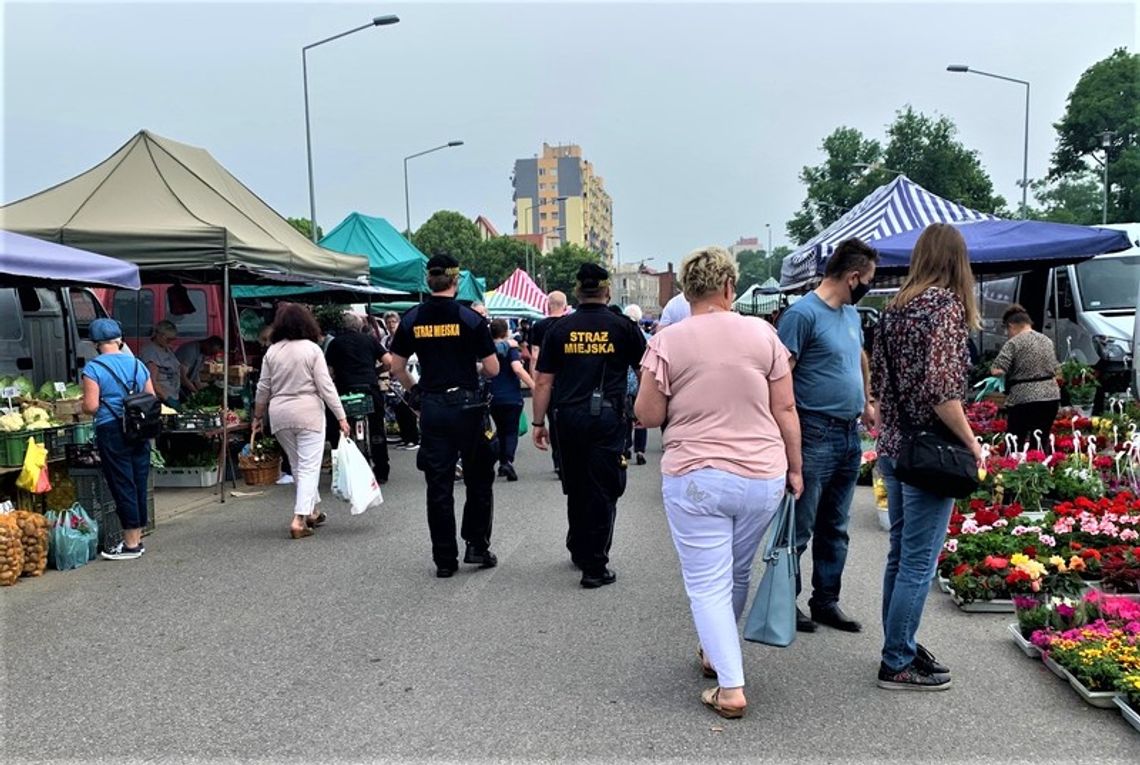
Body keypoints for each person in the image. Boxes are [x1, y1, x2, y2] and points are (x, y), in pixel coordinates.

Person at [634, 246, 802, 719]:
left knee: (706, 581)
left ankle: (730, 686)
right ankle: (715, 651)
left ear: (687, 293)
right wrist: (796, 468)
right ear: (730, 288)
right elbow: (785, 408)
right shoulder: (765, 335)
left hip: (697, 476)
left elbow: (646, 415)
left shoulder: (667, 341)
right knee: (737, 570)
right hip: (761, 475)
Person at [870, 222, 981, 691]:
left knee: (901, 555)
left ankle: (901, 645)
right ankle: (897, 659)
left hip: (894, 447)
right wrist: (973, 443)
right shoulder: (945, 307)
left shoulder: (893, 309)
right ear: (957, 261)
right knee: (918, 560)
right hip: (930, 452)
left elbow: (877, 378)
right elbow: (941, 392)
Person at [776, 237, 879, 634]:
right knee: (800, 527)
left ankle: (826, 601)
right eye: (868, 278)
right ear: (853, 276)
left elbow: (859, 356)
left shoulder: (850, 315)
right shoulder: (802, 315)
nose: (867, 285)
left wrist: (867, 401)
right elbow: (781, 373)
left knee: (835, 526)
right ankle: (786, 602)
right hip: (813, 431)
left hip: (847, 434)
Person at [532, 263, 646, 588]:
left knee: (577, 483)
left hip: (567, 418)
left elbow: (542, 383)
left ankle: (578, 547)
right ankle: (595, 565)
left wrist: (539, 422)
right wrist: (641, 410)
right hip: (607, 418)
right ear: (607, 291)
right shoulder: (623, 327)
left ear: (577, 293)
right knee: (604, 486)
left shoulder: (560, 329)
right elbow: (644, 373)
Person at [389, 254, 501, 578]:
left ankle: (444, 560)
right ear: (455, 281)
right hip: (468, 407)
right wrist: (471, 366)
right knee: (479, 478)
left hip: (434, 408)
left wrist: (415, 391)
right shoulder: (469, 318)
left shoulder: (412, 319)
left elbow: (396, 367)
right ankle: (476, 545)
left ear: (429, 281)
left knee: (438, 485)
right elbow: (492, 368)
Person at [253, 304, 350, 539]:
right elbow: (325, 386)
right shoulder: (312, 349)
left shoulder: (272, 351)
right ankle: (299, 518)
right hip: (308, 412)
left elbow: (263, 387)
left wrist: (257, 416)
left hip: (279, 413)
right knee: (308, 466)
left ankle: (313, 512)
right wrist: (341, 416)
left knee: (298, 465)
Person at [81, 318, 157, 561]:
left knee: (122, 482)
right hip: (139, 429)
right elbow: (151, 397)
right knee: (138, 480)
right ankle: (137, 536)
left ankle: (131, 544)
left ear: (95, 344)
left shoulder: (93, 368)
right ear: (119, 340)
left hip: (112, 429)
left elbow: (91, 406)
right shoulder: (137, 364)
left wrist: (83, 405)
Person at [325, 312, 391, 484]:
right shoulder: (370, 341)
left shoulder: (334, 344)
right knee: (377, 427)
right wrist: (377, 372)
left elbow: (328, 370)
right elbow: (389, 362)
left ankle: (343, 468)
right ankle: (381, 470)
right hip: (369, 387)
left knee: (338, 427)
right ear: (360, 326)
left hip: (345, 389)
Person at [991, 303, 1061, 451]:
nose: (1007, 334)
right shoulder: (1047, 341)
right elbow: (1056, 368)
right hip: (1050, 396)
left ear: (1011, 326)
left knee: (1015, 442)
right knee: (1041, 441)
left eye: (1007, 330)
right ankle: (1041, 469)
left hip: (1023, 398)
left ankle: (1015, 470)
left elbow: (997, 370)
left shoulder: (1014, 343)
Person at [488, 319, 536, 481]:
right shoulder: (511, 348)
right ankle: (507, 461)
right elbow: (517, 368)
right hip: (511, 396)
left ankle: (500, 461)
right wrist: (533, 385)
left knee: (500, 429)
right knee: (511, 430)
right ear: (505, 331)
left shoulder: (487, 349)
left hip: (493, 396)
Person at [529, 290, 569, 475]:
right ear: (566, 306)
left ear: (547, 305)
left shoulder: (538, 326)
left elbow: (535, 356)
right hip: (566, 380)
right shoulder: (569, 325)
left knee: (552, 420)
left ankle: (558, 459)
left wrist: (535, 381)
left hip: (546, 380)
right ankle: (567, 458)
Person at [381, 311, 420, 450]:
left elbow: (414, 357)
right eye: (388, 322)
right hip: (392, 378)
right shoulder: (385, 340)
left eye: (393, 322)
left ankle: (413, 439)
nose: (391, 325)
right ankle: (404, 437)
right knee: (397, 408)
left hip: (408, 376)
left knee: (407, 407)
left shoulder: (406, 337)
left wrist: (398, 361)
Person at [141, 319, 194, 408]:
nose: (171, 341)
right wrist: (166, 400)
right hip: (163, 399)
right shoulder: (151, 352)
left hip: (173, 394)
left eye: (173, 339)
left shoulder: (166, 349)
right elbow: (152, 380)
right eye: (169, 339)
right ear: (159, 336)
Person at [622, 304, 650, 465]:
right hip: (642, 383)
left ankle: (626, 447)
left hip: (625, 383)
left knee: (625, 418)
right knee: (641, 418)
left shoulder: (621, 336)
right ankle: (640, 450)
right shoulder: (648, 338)